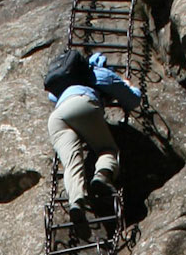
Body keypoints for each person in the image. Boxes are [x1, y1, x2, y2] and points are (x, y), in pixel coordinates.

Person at [45, 50, 141, 211]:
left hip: (56, 118)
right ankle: (102, 175)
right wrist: (129, 86)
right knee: (107, 149)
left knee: (71, 162)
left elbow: (52, 97)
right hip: (82, 103)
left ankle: (76, 202)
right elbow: (133, 100)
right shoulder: (100, 73)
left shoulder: (65, 81)